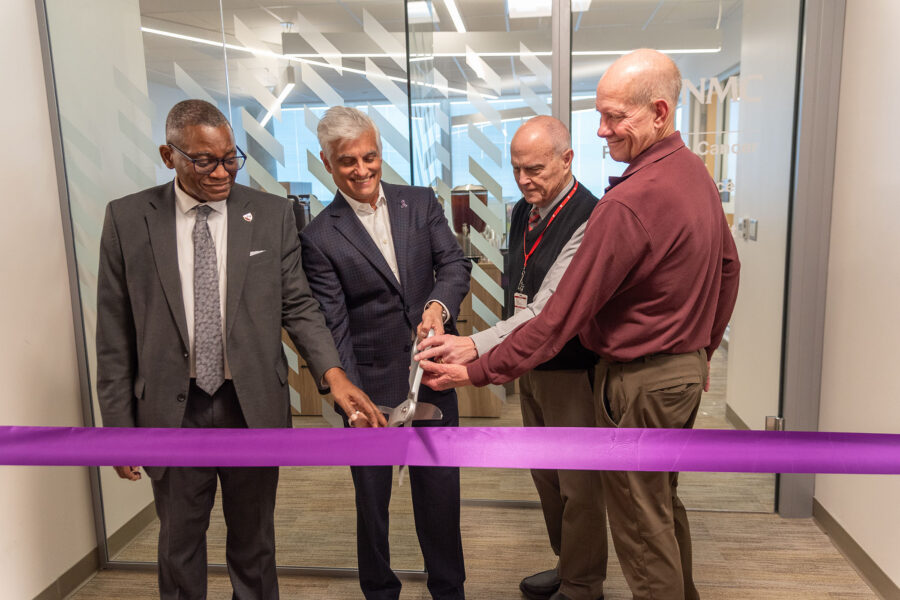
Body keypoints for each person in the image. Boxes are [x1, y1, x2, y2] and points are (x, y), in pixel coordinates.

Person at [418, 49, 741, 600]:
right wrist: (703, 352)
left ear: (659, 112)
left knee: (640, 528)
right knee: (659, 507)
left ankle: (589, 581)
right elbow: (729, 269)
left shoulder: (623, 203)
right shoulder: (693, 175)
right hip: (677, 371)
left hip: (636, 378)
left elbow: (559, 313)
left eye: (615, 117)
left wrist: (478, 369)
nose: (603, 130)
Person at [96, 99, 385, 600]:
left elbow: (298, 306)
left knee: (254, 544)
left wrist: (333, 376)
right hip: (171, 409)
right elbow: (114, 331)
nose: (221, 171)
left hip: (250, 405)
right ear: (169, 156)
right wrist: (120, 425)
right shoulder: (127, 219)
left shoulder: (270, 215)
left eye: (231, 158)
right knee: (179, 544)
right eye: (205, 160)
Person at [417, 115, 607, 600]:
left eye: (536, 169)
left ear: (567, 160)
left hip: (573, 371)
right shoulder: (525, 209)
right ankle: (567, 567)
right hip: (531, 366)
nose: (524, 180)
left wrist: (477, 345)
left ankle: (584, 586)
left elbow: (547, 310)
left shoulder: (592, 218)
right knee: (546, 478)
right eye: (517, 169)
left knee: (578, 485)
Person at [300, 106, 471, 600]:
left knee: (440, 497)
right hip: (368, 389)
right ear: (326, 163)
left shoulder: (419, 203)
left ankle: (449, 590)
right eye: (347, 161)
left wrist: (438, 307)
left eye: (369, 157)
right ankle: (379, 591)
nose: (361, 170)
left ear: (380, 152)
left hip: (433, 375)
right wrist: (346, 395)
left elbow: (453, 266)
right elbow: (334, 323)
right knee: (372, 504)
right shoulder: (319, 236)